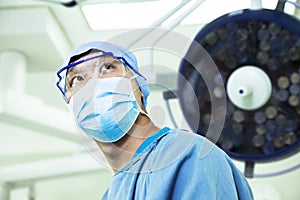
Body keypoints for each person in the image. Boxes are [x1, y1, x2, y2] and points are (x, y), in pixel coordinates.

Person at [56, 41, 253, 200]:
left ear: (139, 88)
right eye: (76, 79)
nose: (92, 84)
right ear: (71, 103)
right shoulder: (112, 194)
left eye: (107, 67)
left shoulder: (187, 156)